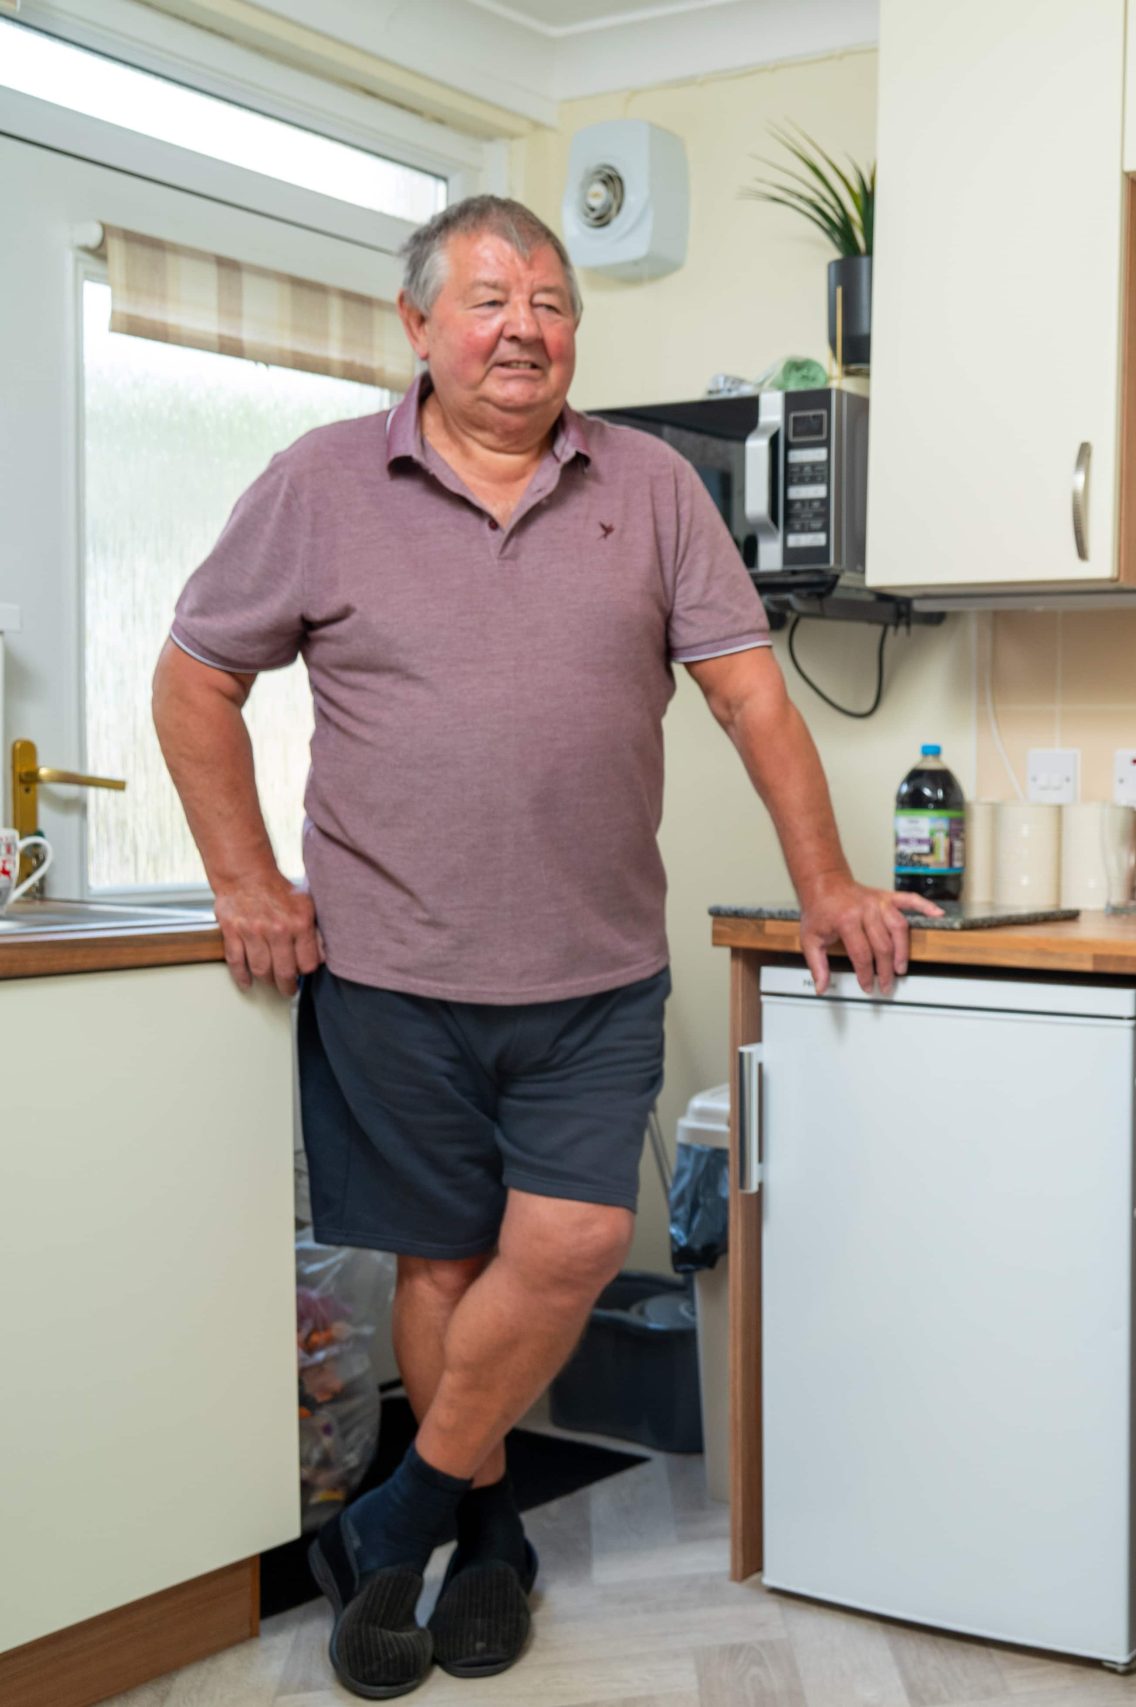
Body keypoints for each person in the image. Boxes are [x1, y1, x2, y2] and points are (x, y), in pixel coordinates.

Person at [152, 195, 934, 1697]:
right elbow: (194, 687)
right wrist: (244, 877)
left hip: (592, 971)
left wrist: (828, 880)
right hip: (390, 968)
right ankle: (491, 1539)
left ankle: (395, 1520)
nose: (526, 328)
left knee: (570, 1241)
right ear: (421, 326)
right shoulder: (319, 483)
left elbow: (755, 701)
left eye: (555, 304)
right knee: (445, 1270)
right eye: (494, 298)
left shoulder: (648, 488)